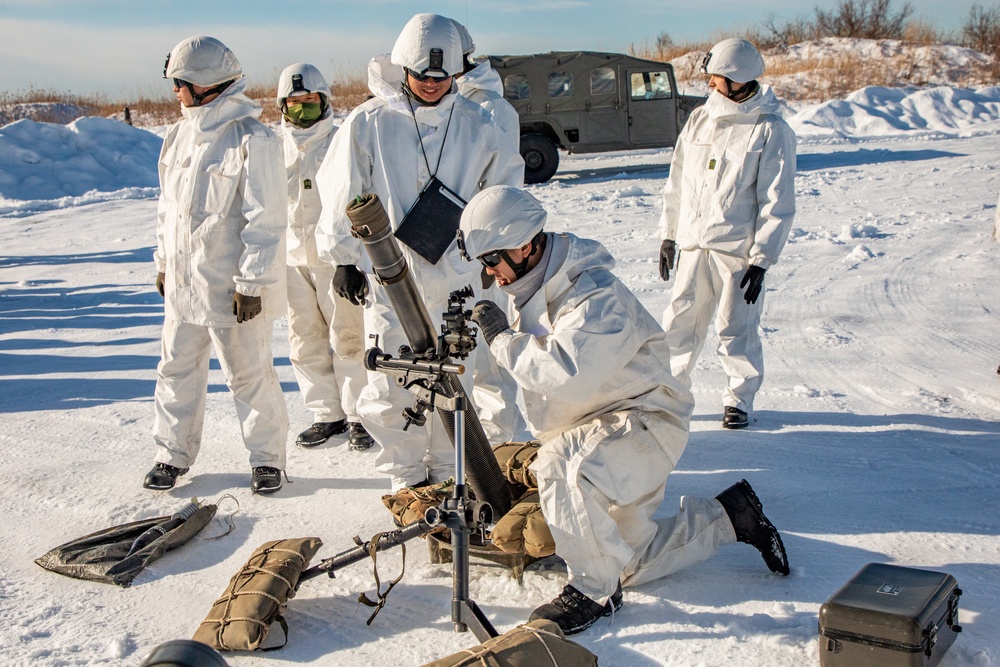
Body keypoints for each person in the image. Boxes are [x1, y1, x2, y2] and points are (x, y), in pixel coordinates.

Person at [459, 185, 790, 635]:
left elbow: (565, 373)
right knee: (622, 560)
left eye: (491, 260)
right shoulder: (535, 284)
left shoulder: (595, 297)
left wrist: (502, 340)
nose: (490, 273)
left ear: (523, 245)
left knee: (565, 468)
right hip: (602, 425)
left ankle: (592, 594)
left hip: (644, 422)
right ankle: (731, 517)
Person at [315, 13, 524, 491]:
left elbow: (502, 192)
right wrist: (344, 258)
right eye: (422, 76)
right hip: (393, 277)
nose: (432, 85)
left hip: (459, 274)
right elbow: (342, 191)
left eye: (442, 77)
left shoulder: (479, 124)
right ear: (402, 70)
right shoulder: (368, 123)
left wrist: (496, 252)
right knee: (395, 380)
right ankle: (406, 479)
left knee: (457, 374)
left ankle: (452, 472)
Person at [145, 35, 289, 494]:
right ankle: (171, 454)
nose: (175, 92)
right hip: (185, 286)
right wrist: (165, 263)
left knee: (248, 373)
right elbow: (168, 211)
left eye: (179, 83)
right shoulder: (177, 136)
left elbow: (266, 219)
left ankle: (267, 459)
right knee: (175, 369)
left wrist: (253, 283)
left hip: (233, 290)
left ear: (203, 84)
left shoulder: (253, 138)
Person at [658, 38, 796, 429]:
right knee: (679, 323)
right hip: (693, 244)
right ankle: (668, 394)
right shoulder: (701, 118)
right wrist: (669, 234)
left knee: (736, 328)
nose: (711, 84)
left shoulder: (771, 130)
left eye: (716, 78)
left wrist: (762, 260)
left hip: (737, 253)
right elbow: (678, 180)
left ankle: (739, 398)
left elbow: (777, 200)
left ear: (738, 79)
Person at [275, 63, 372, 451]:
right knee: (303, 339)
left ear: (324, 101)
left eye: (310, 101)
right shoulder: (271, 148)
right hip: (292, 259)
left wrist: (352, 257)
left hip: (336, 258)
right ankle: (325, 413)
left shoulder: (341, 142)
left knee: (349, 336)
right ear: (283, 105)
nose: (302, 109)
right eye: (294, 102)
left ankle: (359, 414)